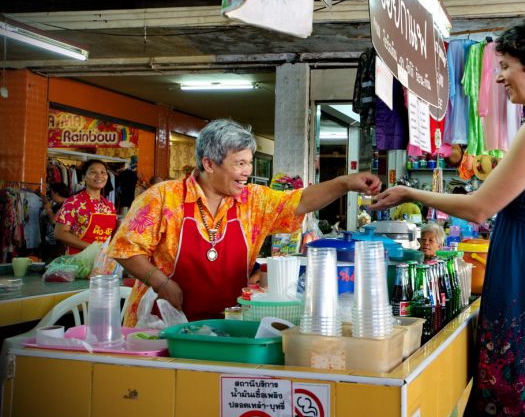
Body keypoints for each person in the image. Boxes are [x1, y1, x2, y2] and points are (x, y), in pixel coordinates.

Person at [370, 16, 525, 417]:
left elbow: (481, 207)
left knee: (516, 373)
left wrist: (413, 193)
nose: (500, 77)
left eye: (505, 66)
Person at [109, 119, 381, 326]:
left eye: (249, 163)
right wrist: (161, 283)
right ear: (209, 163)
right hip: (161, 322)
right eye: (240, 163)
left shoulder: (253, 200)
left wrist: (345, 182)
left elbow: (300, 201)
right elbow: (126, 248)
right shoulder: (162, 197)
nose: (247, 172)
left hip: (229, 323)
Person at [55, 159, 118, 255]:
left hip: (102, 261)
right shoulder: (73, 202)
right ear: (84, 177)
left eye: (103, 172)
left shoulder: (110, 206)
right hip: (77, 260)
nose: (99, 176)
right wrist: (92, 248)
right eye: (93, 172)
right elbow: (60, 233)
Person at [39, 182, 70, 261]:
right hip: (53, 242)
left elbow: (54, 221)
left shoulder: (66, 205)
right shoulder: (59, 204)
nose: (51, 195)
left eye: (51, 192)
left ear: (56, 193)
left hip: (57, 244)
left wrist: (49, 209)